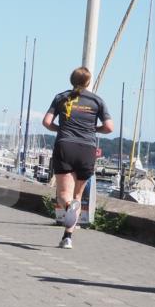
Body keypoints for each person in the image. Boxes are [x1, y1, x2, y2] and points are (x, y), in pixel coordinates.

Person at [42, 67, 113, 249]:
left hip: (65, 145)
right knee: (78, 196)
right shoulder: (97, 101)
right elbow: (109, 127)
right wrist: (92, 130)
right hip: (87, 148)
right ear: (88, 82)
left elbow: (47, 122)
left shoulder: (61, 97)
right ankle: (68, 237)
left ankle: (68, 208)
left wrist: (62, 129)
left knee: (64, 195)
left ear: (71, 80)